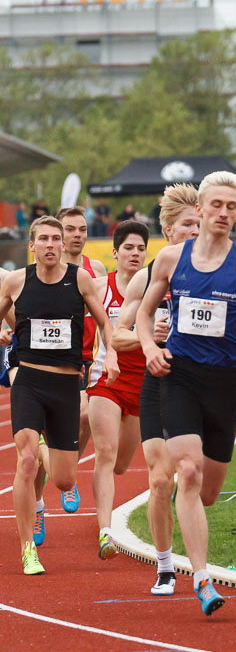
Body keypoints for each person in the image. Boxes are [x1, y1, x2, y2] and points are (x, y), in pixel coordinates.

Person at [136, 170, 236, 617]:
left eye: (230, 207)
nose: (222, 213)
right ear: (200, 209)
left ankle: (195, 554)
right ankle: (201, 576)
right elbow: (142, 314)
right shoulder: (170, 261)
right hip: (178, 376)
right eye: (215, 205)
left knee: (209, 490)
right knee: (187, 471)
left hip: (223, 384)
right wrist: (148, 348)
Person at [0, 216, 118, 575]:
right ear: (32, 246)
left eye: (57, 238)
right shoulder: (17, 281)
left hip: (67, 384)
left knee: (65, 478)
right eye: (44, 239)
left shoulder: (79, 278)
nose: (52, 244)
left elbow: (104, 322)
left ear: (63, 244)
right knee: (24, 461)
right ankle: (27, 551)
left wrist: (110, 352)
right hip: (29, 381)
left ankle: (43, 450)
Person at [112, 184, 199, 595]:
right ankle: (166, 566)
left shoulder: (219, 272)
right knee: (161, 479)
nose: (194, 233)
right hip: (160, 382)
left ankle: (197, 558)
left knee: (197, 477)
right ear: (168, 231)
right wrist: (149, 339)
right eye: (186, 226)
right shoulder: (146, 278)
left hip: (200, 385)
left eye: (199, 225)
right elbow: (118, 336)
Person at [87, 220, 149, 559]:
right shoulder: (100, 287)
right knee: (106, 454)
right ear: (115, 252)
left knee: (122, 464)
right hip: (106, 381)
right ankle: (105, 531)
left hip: (143, 385)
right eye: (128, 247)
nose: (135, 254)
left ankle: (103, 502)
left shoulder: (154, 288)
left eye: (141, 248)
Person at [57, 206, 108, 513]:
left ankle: (69, 473)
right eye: (71, 229)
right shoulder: (46, 268)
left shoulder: (96, 269)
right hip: (52, 358)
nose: (78, 235)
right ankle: (39, 501)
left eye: (83, 229)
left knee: (85, 418)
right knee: (44, 437)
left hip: (87, 358)